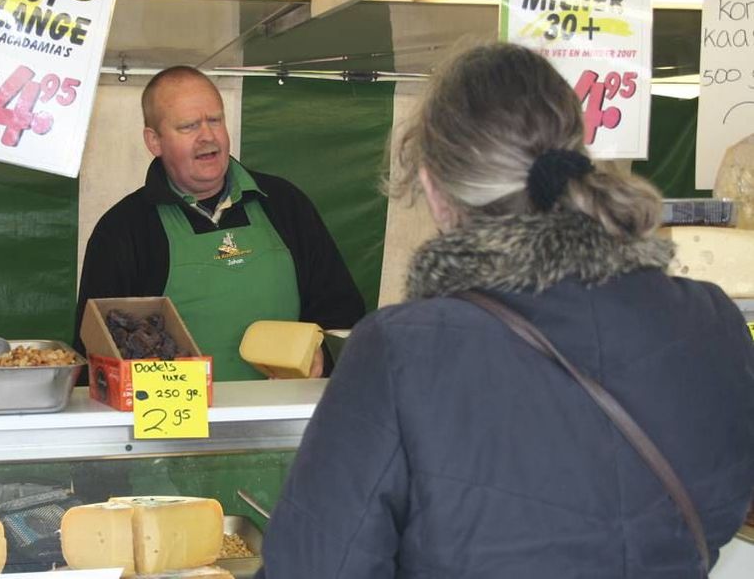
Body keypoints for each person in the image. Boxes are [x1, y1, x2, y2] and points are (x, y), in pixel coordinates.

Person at [256, 43, 754, 578]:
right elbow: (724, 510)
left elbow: (314, 568)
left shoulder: (401, 351)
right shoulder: (714, 320)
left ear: (432, 185)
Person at [75, 66, 364, 381]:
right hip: (172, 425)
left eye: (215, 120)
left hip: (284, 420)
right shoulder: (123, 230)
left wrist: (322, 357)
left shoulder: (284, 203)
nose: (208, 136)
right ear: (154, 141)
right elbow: (97, 351)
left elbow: (343, 312)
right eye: (188, 126)